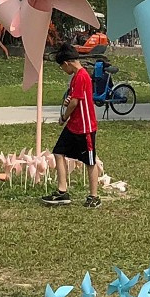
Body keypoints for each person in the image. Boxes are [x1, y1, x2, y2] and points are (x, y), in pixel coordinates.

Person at [41, 47, 102, 208]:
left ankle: (94, 196)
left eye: (62, 67)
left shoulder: (82, 76)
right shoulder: (76, 77)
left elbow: (75, 103)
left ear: (67, 63)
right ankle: (62, 192)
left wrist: (63, 117)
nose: (63, 70)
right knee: (58, 152)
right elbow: (75, 99)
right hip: (74, 126)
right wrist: (69, 102)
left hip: (84, 127)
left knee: (89, 161)